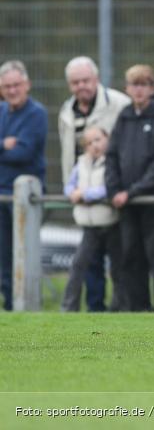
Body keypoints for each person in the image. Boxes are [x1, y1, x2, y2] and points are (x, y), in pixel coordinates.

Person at [58, 56, 130, 312]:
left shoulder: (120, 104)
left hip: (114, 203)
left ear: (96, 79)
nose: (81, 86)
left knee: (119, 264)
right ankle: (93, 308)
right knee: (88, 264)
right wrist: (73, 189)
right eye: (75, 82)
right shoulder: (67, 112)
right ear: (69, 85)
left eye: (85, 80)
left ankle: (121, 308)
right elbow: (68, 155)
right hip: (87, 209)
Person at [106, 65, 154, 312]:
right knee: (131, 257)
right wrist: (113, 190)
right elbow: (111, 155)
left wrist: (132, 191)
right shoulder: (124, 117)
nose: (138, 89)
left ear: (151, 89)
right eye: (134, 84)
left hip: (153, 201)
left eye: (143, 84)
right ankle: (138, 308)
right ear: (127, 88)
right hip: (127, 203)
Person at [0, 60, 48, 311]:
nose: (12, 90)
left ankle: (27, 306)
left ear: (27, 85)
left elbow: (24, 153)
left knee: (23, 256)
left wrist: (12, 147)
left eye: (16, 85)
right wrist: (4, 144)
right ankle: (9, 306)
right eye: (7, 86)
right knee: (4, 257)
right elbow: (11, 151)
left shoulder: (36, 113)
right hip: (1, 195)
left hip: (25, 198)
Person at [61, 127, 124, 312]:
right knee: (81, 266)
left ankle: (119, 307)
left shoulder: (114, 161)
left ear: (107, 139)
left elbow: (110, 187)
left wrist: (86, 194)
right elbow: (70, 185)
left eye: (98, 140)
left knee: (118, 269)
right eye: (89, 143)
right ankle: (72, 307)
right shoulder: (81, 163)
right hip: (90, 226)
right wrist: (72, 193)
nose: (94, 145)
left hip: (111, 223)